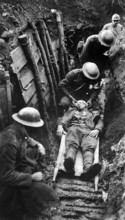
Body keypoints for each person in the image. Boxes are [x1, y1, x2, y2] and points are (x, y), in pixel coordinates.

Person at [0, 107, 58, 219]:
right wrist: (31, 178)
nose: (35, 131)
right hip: (3, 183)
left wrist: (38, 145)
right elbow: (6, 176)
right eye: (33, 128)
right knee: (32, 197)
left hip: (11, 171)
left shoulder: (16, 129)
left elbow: (26, 138)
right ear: (26, 126)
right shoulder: (9, 143)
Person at [56, 100, 104, 180]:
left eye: (82, 102)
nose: (79, 103)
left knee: (89, 147)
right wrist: (60, 126)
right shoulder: (72, 112)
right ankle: (69, 165)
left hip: (89, 130)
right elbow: (64, 119)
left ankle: (88, 170)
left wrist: (97, 129)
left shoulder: (92, 114)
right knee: (72, 144)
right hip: (75, 128)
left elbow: (99, 122)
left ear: (86, 105)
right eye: (78, 102)